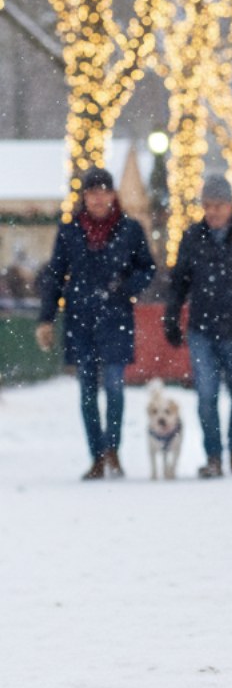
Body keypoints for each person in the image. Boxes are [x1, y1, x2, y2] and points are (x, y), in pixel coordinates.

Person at [35, 167, 155, 479]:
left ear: (113, 194)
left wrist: (127, 287)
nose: (97, 198)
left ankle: (112, 450)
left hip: (115, 319)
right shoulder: (70, 230)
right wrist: (46, 318)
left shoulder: (129, 230)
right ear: (84, 196)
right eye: (91, 192)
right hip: (81, 321)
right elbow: (54, 276)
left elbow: (147, 268)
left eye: (103, 191)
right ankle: (97, 455)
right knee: (87, 392)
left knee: (114, 388)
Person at [164, 174, 232, 477]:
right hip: (203, 330)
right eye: (207, 205)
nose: (212, 212)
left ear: (231, 205)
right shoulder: (192, 237)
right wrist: (171, 317)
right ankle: (213, 455)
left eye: (218, 205)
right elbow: (179, 283)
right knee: (206, 397)